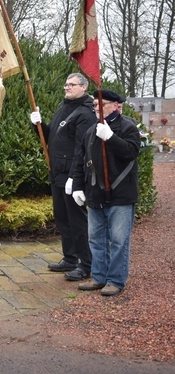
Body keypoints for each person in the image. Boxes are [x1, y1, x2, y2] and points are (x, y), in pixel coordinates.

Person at [71, 89, 140, 296]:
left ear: (116, 106)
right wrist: (77, 186)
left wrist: (110, 137)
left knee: (119, 240)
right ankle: (99, 277)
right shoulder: (91, 131)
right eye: (94, 106)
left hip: (120, 195)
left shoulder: (127, 128)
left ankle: (116, 280)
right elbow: (80, 161)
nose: (96, 109)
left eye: (101, 105)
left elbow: (131, 152)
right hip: (95, 194)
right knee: (96, 238)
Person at [30, 73, 96, 281]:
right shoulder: (64, 109)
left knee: (77, 220)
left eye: (72, 84)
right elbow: (52, 138)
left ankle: (86, 264)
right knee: (62, 218)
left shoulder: (85, 113)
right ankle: (70, 258)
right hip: (57, 173)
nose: (67, 88)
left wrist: (74, 178)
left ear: (84, 87)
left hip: (71, 176)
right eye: (66, 84)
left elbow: (82, 148)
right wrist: (38, 125)